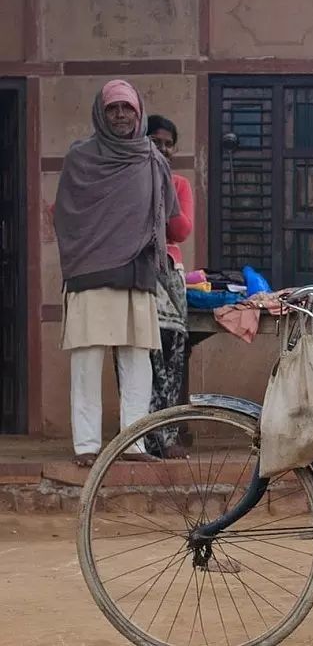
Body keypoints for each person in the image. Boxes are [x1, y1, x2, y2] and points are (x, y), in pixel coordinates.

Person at [54, 79, 180, 468]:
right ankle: (87, 446)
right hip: (90, 271)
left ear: (138, 113)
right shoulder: (81, 158)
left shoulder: (152, 158)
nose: (121, 115)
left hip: (137, 272)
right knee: (87, 362)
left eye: (127, 108)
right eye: (113, 109)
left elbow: (169, 218)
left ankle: (134, 444)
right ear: (101, 113)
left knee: (137, 361)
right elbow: (66, 216)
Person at [142, 114, 194, 458]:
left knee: (172, 357)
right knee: (141, 360)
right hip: (135, 274)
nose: (163, 148)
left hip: (169, 274)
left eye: (168, 143)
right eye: (155, 141)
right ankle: (142, 439)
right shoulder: (129, 181)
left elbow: (180, 230)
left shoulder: (178, 185)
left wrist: (160, 187)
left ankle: (169, 438)